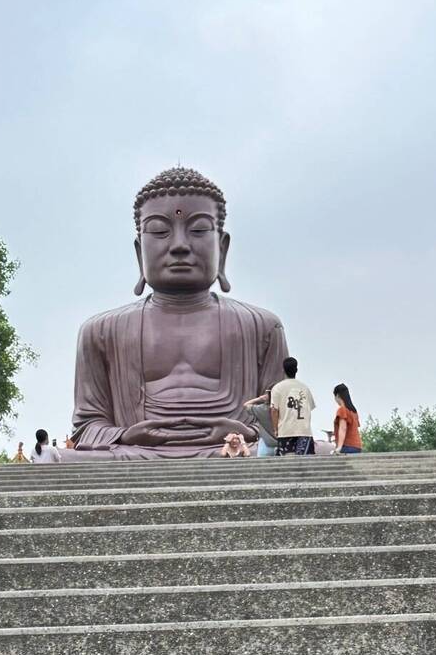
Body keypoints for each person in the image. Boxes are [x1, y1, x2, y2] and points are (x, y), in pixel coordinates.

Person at [70, 166, 288, 457]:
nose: (180, 245)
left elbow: (284, 422)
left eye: (198, 230)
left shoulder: (262, 326)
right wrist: (125, 434)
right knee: (67, 458)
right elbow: (87, 427)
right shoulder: (100, 332)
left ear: (222, 249)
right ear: (139, 252)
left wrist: (245, 432)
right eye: (159, 231)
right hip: (136, 454)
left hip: (232, 451)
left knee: (312, 451)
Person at [270, 358, 316, 456]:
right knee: (305, 464)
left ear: (283, 370)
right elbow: (309, 408)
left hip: (286, 431)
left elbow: (274, 410)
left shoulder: (277, 388)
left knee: (286, 465)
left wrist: (275, 429)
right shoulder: (305, 388)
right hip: (304, 431)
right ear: (296, 370)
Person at [243, 389, 277, 457]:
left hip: (266, 442)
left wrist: (259, 399)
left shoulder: (262, 409)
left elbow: (246, 405)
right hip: (281, 442)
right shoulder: (282, 408)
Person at [332, 384, 363, 453]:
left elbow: (343, 428)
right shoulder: (353, 411)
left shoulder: (342, 410)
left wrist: (339, 447)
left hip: (348, 446)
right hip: (357, 446)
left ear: (337, 396)